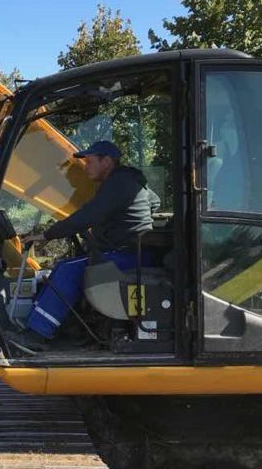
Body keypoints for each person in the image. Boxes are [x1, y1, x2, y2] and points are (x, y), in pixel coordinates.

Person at [19, 140, 160, 341]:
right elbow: (155, 202)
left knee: (69, 271)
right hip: (130, 251)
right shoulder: (130, 180)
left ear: (107, 162)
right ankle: (38, 323)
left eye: (89, 162)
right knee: (62, 267)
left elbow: (87, 216)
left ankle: (36, 335)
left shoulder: (119, 183)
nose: (85, 167)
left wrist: (46, 235)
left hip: (126, 254)